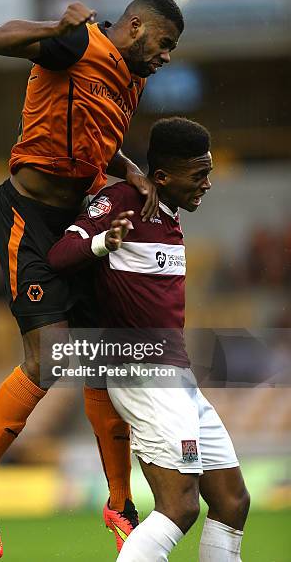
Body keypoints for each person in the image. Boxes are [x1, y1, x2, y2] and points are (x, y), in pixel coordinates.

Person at [0, 0, 184, 558]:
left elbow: (100, 141)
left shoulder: (132, 82)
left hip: (79, 221)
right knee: (49, 358)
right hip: (29, 216)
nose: (168, 57)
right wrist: (54, 24)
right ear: (134, 27)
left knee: (104, 358)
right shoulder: (77, 42)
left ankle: (120, 505)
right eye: (165, 43)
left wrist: (133, 171)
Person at [48, 117, 250, 561]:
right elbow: (60, 256)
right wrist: (104, 242)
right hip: (141, 372)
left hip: (177, 375)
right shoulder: (121, 200)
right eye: (199, 175)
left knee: (233, 501)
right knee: (178, 506)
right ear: (162, 177)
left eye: (208, 172)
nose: (208, 184)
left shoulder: (170, 214)